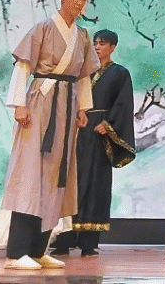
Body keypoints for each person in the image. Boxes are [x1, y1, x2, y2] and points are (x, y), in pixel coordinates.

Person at [0, 0, 100, 270]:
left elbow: (82, 76)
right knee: (31, 173)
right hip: (41, 103)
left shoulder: (82, 35)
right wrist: (19, 104)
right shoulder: (43, 28)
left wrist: (83, 108)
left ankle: (39, 248)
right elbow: (23, 65)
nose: (80, 3)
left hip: (66, 105)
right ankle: (17, 253)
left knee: (57, 175)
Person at [51, 29, 136, 257]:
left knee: (95, 182)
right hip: (77, 129)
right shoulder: (81, 70)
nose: (97, 47)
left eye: (103, 43)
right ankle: (63, 239)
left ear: (113, 47)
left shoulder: (119, 73)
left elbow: (124, 103)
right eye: (95, 43)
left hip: (99, 134)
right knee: (70, 181)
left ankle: (89, 243)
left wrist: (109, 124)